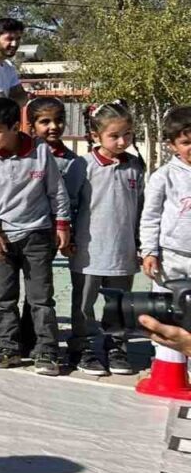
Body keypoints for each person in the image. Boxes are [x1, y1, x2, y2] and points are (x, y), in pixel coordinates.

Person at [0, 97, 72, 375]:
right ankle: (7, 345)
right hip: (2, 237)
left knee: (40, 297)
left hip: (38, 235)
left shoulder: (40, 151)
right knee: (4, 297)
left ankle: (47, 349)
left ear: (16, 127)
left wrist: (62, 224)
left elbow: (56, 191)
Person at [71, 101, 144, 377]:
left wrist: (139, 244)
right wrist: (68, 237)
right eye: (114, 135)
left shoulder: (135, 167)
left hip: (122, 253)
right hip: (88, 252)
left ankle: (116, 347)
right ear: (96, 135)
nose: (122, 141)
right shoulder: (83, 165)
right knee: (84, 304)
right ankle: (85, 347)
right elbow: (70, 203)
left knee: (119, 303)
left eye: (127, 134)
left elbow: (140, 209)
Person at [27, 97, 86, 363]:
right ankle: (2, 335)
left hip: (48, 233)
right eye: (45, 121)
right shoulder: (22, 152)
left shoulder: (72, 161)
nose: (53, 126)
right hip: (18, 230)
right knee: (5, 288)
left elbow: (71, 199)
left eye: (58, 120)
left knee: (39, 288)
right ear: (30, 125)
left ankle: (39, 339)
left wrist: (65, 230)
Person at [141, 105, 191, 292]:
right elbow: (150, 217)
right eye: (186, 142)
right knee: (167, 311)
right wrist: (149, 252)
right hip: (170, 259)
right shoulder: (163, 176)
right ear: (172, 145)